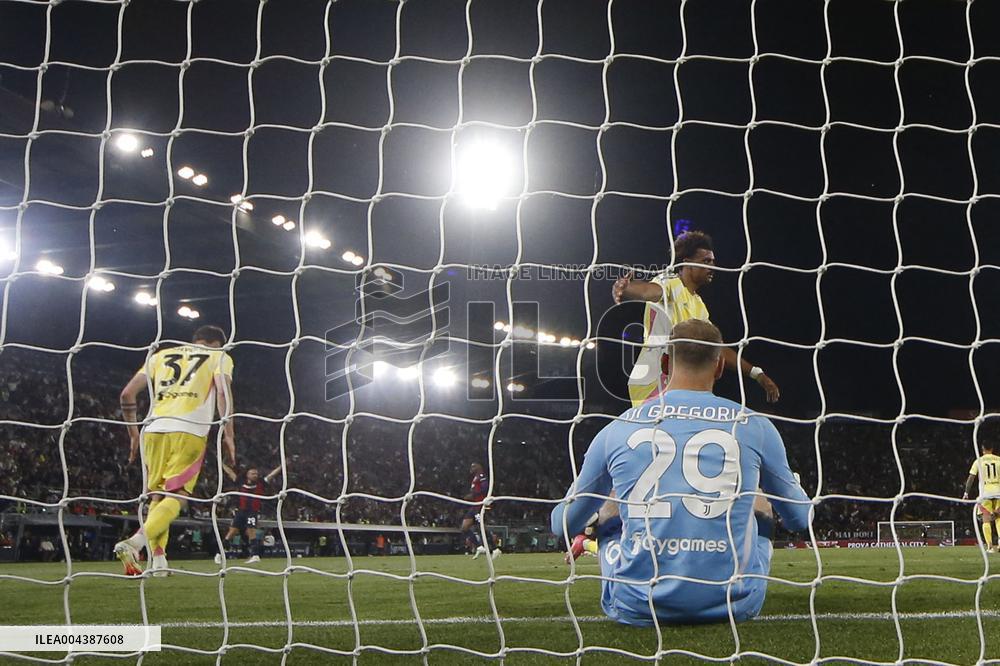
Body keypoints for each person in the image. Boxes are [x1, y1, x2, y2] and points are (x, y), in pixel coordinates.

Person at [551, 319, 810, 625]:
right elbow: (800, 518)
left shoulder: (619, 427)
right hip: (734, 606)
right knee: (760, 503)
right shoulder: (754, 425)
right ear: (719, 367)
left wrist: (604, 495)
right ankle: (736, 583)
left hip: (636, 604)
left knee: (611, 505)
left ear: (664, 363)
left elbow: (561, 524)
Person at [116, 325, 235, 576]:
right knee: (178, 495)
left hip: (153, 430)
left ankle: (159, 562)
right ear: (217, 344)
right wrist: (228, 434)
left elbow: (127, 394)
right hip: (189, 430)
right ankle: (135, 543)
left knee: (157, 497)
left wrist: (133, 434)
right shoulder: (219, 356)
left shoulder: (160, 355)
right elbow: (223, 392)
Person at [612, 231, 780, 407]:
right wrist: (627, 289)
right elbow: (648, 291)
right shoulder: (670, 283)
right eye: (706, 261)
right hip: (654, 380)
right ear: (687, 263)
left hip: (677, 382)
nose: (712, 266)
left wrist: (756, 373)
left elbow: (717, 347)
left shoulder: (699, 305)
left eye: (713, 261)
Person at [215, 464, 281, 565]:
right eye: (253, 473)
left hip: (252, 512)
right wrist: (222, 464)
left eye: (256, 474)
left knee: (251, 531)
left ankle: (255, 555)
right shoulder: (240, 482)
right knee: (231, 532)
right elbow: (230, 473)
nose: (255, 475)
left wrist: (281, 467)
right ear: (247, 474)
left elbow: (271, 475)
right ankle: (219, 554)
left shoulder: (261, 483)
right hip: (241, 511)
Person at [963, 440, 1000, 553]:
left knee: (986, 519)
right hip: (998, 492)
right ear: (992, 449)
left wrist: (966, 493)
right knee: (998, 518)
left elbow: (971, 477)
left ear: (982, 449)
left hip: (985, 493)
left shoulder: (979, 461)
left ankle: (990, 547)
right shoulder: (999, 460)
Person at [460, 462, 501, 560]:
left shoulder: (482, 476)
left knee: (481, 527)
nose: (471, 468)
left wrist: (473, 495)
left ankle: (495, 549)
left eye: (473, 466)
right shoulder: (475, 478)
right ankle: (479, 547)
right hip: (474, 506)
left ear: (479, 467)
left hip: (481, 505)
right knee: (464, 527)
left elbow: (485, 488)